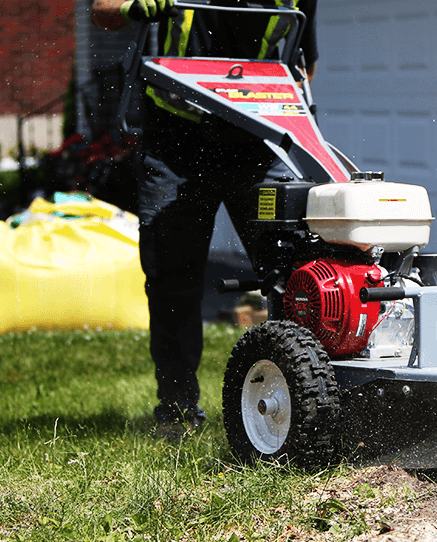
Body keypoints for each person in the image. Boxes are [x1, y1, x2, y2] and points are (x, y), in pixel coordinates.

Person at [91, 0, 318, 436]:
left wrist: (296, 125)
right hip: (177, 142)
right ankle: (177, 412)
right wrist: (132, 7)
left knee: (293, 274)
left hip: (257, 144)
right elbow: (102, 11)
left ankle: (301, 407)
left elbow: (305, 62)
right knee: (172, 278)